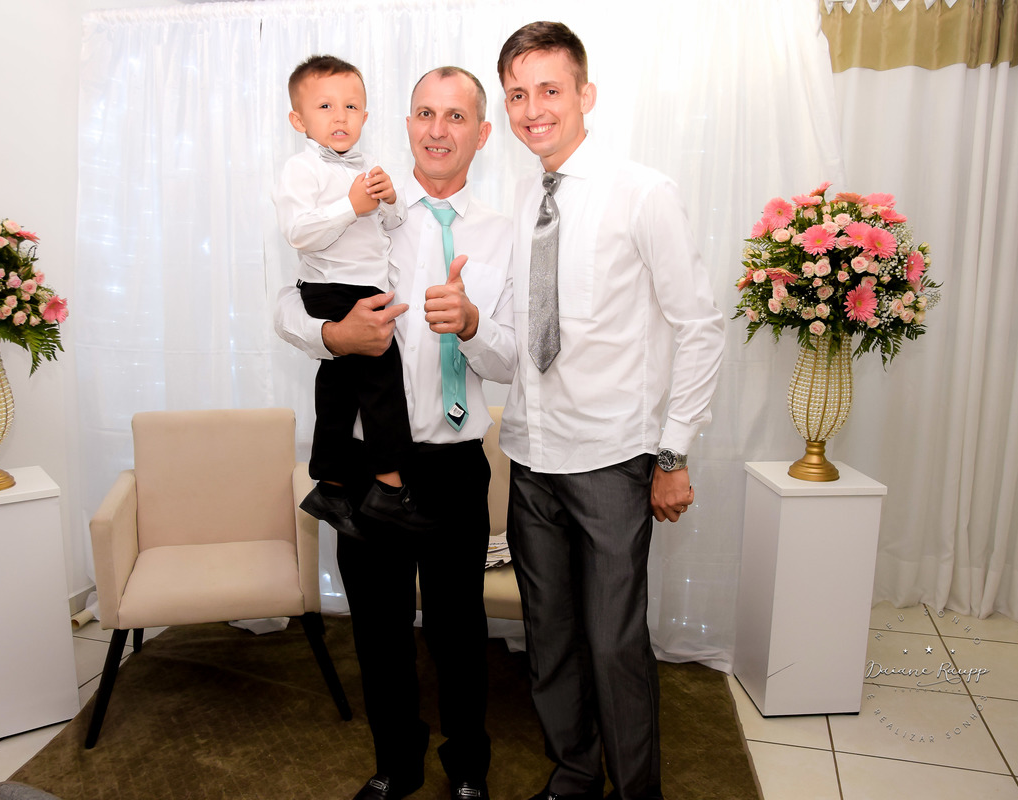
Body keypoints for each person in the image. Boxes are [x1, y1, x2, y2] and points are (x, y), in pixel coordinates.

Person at [495, 22, 725, 800]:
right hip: (530, 455)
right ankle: (573, 774)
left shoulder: (643, 193)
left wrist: (674, 452)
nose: (534, 109)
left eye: (549, 90)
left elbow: (699, 326)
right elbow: (521, 338)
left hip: (611, 461)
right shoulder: (522, 197)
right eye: (518, 94)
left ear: (584, 94)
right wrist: (471, 326)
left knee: (614, 647)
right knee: (549, 639)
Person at [275, 65, 515, 800]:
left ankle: (468, 768)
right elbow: (286, 301)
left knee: (458, 631)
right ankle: (395, 765)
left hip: (454, 464)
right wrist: (332, 335)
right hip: (366, 460)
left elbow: (512, 360)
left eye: (456, 116)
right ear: (406, 124)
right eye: (425, 114)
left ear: (482, 132)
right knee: (378, 631)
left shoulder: (505, 233)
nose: (438, 130)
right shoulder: (364, 201)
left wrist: (472, 326)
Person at [275, 54, 431, 536]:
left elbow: (392, 225)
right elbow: (298, 232)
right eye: (325, 106)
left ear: (365, 116)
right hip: (332, 289)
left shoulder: (368, 169)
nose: (339, 116)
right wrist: (350, 205)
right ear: (298, 120)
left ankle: (331, 485)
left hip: (363, 287)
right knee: (382, 384)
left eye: (350, 106)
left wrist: (390, 200)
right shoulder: (301, 168)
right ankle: (389, 489)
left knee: (339, 389)